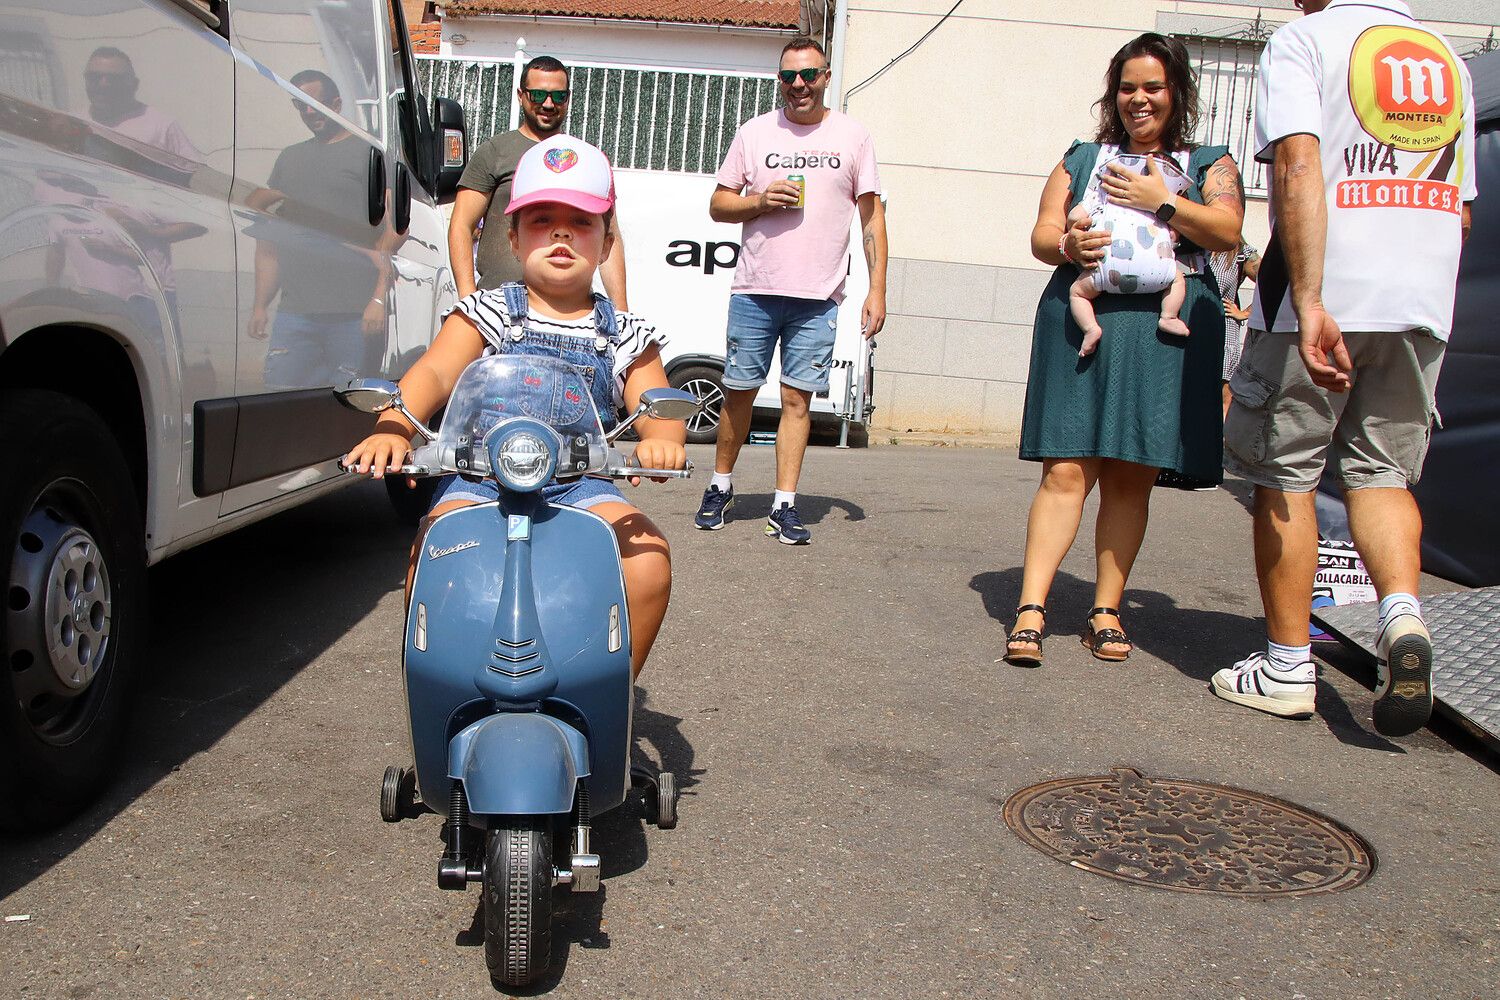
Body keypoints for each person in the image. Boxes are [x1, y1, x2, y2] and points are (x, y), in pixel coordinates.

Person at [1210, 0, 1475, 737]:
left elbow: (1298, 163)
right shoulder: (1445, 58)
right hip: (1419, 301)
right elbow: (1458, 211)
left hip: (1323, 300)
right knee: (1382, 474)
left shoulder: (1307, 40)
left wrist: (1310, 295)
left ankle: (1289, 666)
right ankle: (1401, 616)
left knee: (1286, 474)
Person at [345, 136, 686, 678]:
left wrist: (661, 437)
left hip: (582, 482)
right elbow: (434, 371)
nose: (560, 232)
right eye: (540, 219)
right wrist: (394, 427)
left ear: (606, 242)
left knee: (647, 562)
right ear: (512, 237)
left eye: (581, 221)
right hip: (480, 477)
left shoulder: (624, 331)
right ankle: (443, 691)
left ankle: (608, 695)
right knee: (430, 557)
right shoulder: (488, 311)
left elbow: (654, 401)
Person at [1005, 33, 1245, 666]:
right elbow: (1041, 232)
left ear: (1177, 93)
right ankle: (1031, 608)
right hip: (1082, 315)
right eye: (1128, 87)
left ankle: (1106, 611)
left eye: (1154, 87)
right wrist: (1067, 246)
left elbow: (1227, 230)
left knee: (1131, 473)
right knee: (1067, 470)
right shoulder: (1083, 157)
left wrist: (1159, 200)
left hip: (1163, 329)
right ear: (1114, 93)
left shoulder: (1208, 162)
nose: (1140, 99)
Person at [693, 36, 887, 545]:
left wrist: (877, 289)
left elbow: (872, 217)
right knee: (738, 393)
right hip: (756, 289)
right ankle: (720, 485)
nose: (798, 85)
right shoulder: (755, 133)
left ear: (825, 78)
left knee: (797, 401)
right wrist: (758, 200)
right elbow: (718, 204)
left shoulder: (853, 136)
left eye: (808, 75)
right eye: (788, 77)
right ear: (779, 80)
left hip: (819, 295)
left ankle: (784, 504)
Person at [248, 69, 390, 388]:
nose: (310, 113)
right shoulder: (290, 158)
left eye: (317, 104)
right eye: (301, 105)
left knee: (347, 406)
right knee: (279, 401)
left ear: (336, 104)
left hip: (353, 314)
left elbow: (390, 237)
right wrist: (260, 305)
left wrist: (378, 300)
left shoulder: (368, 154)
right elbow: (270, 240)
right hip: (294, 312)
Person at [447, 55, 627, 305]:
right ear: (521, 96)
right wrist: (468, 302)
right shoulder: (495, 151)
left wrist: (621, 312)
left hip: (568, 310)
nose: (549, 104)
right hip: (499, 305)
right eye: (538, 95)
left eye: (558, 96)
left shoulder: (586, 159)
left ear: (568, 98)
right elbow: (461, 225)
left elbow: (610, 234)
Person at [1065, 151, 1195, 356]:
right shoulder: (1163, 204)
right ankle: (1169, 316)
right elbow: (1174, 235)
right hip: (1158, 271)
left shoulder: (1105, 193)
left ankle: (1091, 328)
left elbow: (1075, 217)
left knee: (1077, 293)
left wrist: (1075, 227)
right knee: (1178, 279)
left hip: (1105, 270)